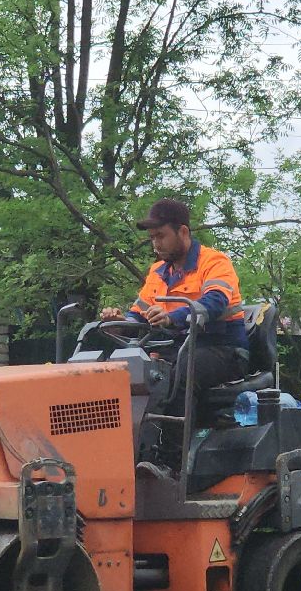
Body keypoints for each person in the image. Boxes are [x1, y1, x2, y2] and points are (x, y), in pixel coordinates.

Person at [100, 198, 251, 471]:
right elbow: (140, 314)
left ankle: (171, 462)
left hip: (222, 349)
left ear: (183, 232)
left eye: (161, 236)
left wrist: (173, 316)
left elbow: (214, 303)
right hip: (181, 346)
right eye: (152, 238)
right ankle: (123, 456)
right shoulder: (158, 271)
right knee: (130, 369)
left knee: (181, 370)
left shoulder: (215, 262)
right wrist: (121, 322)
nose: (155, 244)